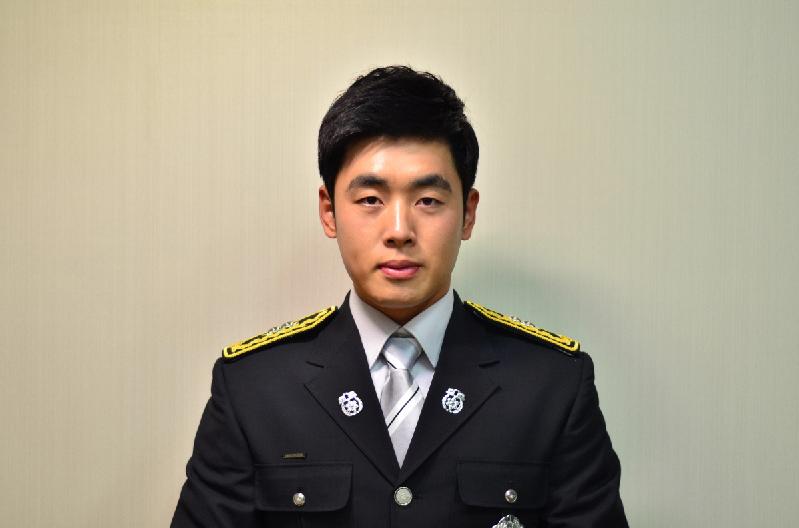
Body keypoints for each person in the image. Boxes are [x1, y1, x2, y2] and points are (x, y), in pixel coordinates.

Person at [172, 65, 628, 527]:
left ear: (467, 214)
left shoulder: (551, 385)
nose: (398, 231)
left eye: (427, 200)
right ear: (329, 212)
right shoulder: (255, 388)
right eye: (371, 199)